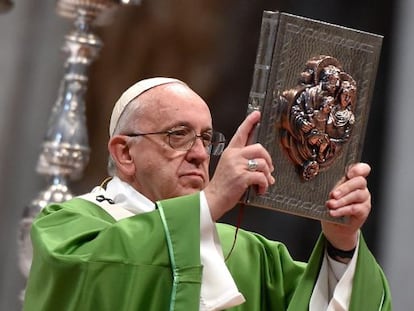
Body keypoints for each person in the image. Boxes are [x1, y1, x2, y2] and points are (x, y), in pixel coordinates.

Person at [23, 77, 391, 311]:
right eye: (177, 135)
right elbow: (101, 272)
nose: (200, 153)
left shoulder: (251, 255)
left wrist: (342, 244)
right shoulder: (71, 230)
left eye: (205, 138)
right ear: (124, 153)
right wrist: (213, 199)